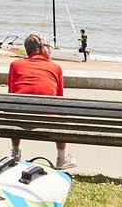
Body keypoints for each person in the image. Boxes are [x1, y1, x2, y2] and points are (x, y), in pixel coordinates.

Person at [6, 33, 73, 169]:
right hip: (47, 120)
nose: (51, 50)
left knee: (14, 109)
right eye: (49, 46)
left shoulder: (15, 65)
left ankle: (15, 152)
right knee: (60, 115)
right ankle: (61, 157)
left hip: (19, 121)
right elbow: (59, 97)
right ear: (42, 48)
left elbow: (12, 92)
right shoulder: (56, 67)